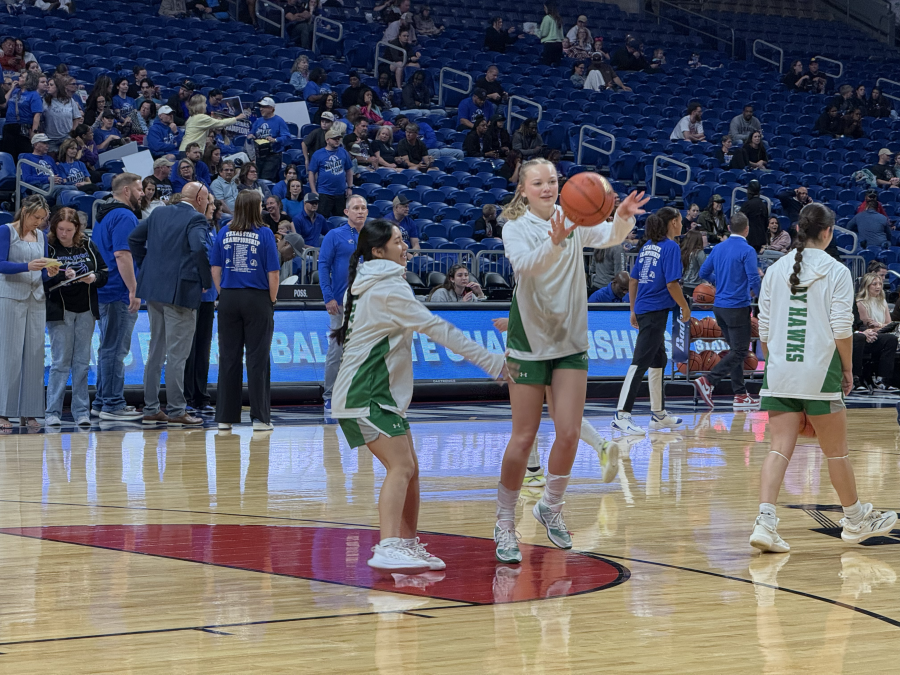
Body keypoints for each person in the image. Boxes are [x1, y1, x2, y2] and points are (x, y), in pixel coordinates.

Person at [330, 219, 510, 572]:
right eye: (399, 242)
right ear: (379, 251)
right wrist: (492, 361)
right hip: (365, 392)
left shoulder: (373, 281)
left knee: (411, 469)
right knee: (401, 466)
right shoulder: (388, 289)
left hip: (375, 391)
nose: (406, 247)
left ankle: (408, 545)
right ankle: (388, 545)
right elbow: (436, 328)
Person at [494, 157, 644, 563]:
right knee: (524, 438)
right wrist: (555, 240)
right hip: (529, 340)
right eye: (538, 183)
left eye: (553, 181)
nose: (547, 188)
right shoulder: (515, 227)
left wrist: (624, 218)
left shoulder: (573, 215)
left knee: (570, 433)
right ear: (523, 189)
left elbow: (609, 235)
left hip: (571, 339)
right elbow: (526, 267)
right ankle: (505, 520)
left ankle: (551, 506)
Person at [749, 203, 898, 553]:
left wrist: (778, 369)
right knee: (836, 453)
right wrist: (847, 369)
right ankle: (855, 519)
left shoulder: (775, 269)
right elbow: (842, 329)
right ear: (829, 232)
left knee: (779, 449)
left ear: (800, 230)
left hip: (780, 369)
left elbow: (765, 330)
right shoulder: (835, 270)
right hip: (819, 369)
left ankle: (765, 522)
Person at [129, 181, 213, 426]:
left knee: (156, 351)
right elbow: (199, 248)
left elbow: (134, 239)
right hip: (181, 292)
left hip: (153, 290)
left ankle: (152, 407)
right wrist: (206, 280)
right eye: (207, 199)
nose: (207, 203)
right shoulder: (196, 220)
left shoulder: (159, 212)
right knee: (177, 355)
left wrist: (147, 266)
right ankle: (177, 410)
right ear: (199, 198)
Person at [613, 206, 690, 436]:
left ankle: (658, 414)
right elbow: (671, 284)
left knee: (659, 360)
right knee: (640, 362)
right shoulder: (671, 247)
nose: (682, 224)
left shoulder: (647, 247)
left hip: (645, 308)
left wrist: (633, 309)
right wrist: (684, 306)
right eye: (680, 220)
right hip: (656, 310)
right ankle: (621, 414)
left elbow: (634, 280)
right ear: (673, 222)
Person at [210, 190, 280, 431]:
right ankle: (260, 418)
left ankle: (224, 418)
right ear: (254, 207)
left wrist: (224, 292)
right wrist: (271, 300)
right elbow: (273, 273)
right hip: (257, 297)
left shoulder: (223, 231)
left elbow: (215, 269)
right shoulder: (265, 233)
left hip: (229, 297)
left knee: (229, 357)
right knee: (257, 358)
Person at [44, 208, 108, 427]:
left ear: (77, 229)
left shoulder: (88, 244)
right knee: (60, 362)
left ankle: (81, 411)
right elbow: (42, 280)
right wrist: (61, 274)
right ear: (54, 228)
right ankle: (52, 412)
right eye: (60, 229)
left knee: (82, 363)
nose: (64, 234)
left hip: (86, 310)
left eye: (69, 230)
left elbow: (105, 273)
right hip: (60, 310)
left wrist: (93, 277)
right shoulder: (49, 247)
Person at [692, 212, 761, 409]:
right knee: (740, 351)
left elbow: (703, 273)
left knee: (735, 351)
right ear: (747, 229)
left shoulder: (719, 247)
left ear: (729, 228)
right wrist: (763, 298)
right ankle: (708, 381)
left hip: (719, 307)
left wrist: (718, 281)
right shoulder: (747, 250)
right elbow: (754, 278)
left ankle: (740, 395)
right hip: (737, 306)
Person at [91, 173, 145, 422]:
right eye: (139, 189)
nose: (143, 193)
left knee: (107, 348)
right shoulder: (124, 215)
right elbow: (123, 255)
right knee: (115, 350)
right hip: (118, 290)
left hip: (103, 289)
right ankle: (112, 404)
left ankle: (102, 400)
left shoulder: (103, 213)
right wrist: (134, 290)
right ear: (126, 191)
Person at [0, 196, 58, 429]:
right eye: (36, 217)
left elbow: (41, 272)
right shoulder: (6, 231)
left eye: (43, 219)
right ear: (24, 211)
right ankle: (3, 411)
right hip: (10, 297)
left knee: (35, 355)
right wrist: (27, 266)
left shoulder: (41, 236)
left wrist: (50, 273)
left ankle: (30, 411)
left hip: (36, 298)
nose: (39, 222)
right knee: (9, 355)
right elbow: (1, 264)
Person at [319, 194, 369, 420]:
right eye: (356, 208)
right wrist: (328, 296)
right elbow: (323, 266)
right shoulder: (334, 235)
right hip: (340, 303)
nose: (360, 211)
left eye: (363, 208)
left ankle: (359, 396)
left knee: (363, 351)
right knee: (336, 350)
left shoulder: (374, 236)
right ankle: (329, 395)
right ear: (346, 212)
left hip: (367, 303)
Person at [852, 273, 898, 393]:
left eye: (880, 284)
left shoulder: (882, 301)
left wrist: (878, 325)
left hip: (878, 334)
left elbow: (889, 323)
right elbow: (864, 326)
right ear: (867, 286)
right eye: (874, 284)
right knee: (861, 337)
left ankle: (883, 379)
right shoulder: (860, 303)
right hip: (864, 337)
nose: (878, 287)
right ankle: (856, 379)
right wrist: (879, 326)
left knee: (891, 339)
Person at [309, 128, 353, 219]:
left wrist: (349, 187)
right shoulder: (318, 154)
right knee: (322, 218)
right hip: (324, 193)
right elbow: (311, 173)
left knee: (341, 219)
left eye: (338, 138)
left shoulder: (343, 152)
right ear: (327, 140)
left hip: (340, 193)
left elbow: (349, 170)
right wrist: (313, 190)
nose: (337, 140)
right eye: (334, 139)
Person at [1, 70, 44, 160]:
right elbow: (3, 103)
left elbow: (37, 115)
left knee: (22, 155)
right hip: (9, 127)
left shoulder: (34, 95)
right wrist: (12, 88)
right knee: (9, 155)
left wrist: (33, 132)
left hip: (22, 127)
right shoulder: (15, 91)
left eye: (22, 77)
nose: (19, 78)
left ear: (29, 80)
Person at [181, 94, 245, 153]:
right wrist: (237, 118)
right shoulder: (201, 117)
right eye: (204, 103)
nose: (206, 105)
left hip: (185, 149)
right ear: (200, 105)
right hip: (192, 151)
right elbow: (221, 123)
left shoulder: (191, 118)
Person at [248, 97, 291, 182]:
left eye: (264, 107)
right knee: (257, 179)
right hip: (259, 155)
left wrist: (275, 140)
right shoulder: (258, 121)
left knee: (266, 179)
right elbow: (251, 133)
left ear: (271, 108)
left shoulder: (279, 120)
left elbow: (287, 137)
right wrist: (250, 137)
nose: (261, 109)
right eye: (260, 107)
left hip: (273, 155)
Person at [43, 74, 82, 153]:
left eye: (51, 85)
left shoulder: (69, 100)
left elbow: (77, 117)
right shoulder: (44, 101)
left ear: (58, 87)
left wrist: (73, 130)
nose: (48, 87)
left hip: (66, 137)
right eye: (48, 85)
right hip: (50, 138)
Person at [740, 180, 769, 252]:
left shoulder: (747, 205)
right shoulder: (763, 205)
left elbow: (739, 221)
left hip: (749, 239)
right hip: (760, 239)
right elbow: (766, 224)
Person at [679, 229, 706, 298]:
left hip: (684, 286)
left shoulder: (681, 252)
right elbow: (705, 270)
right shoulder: (699, 253)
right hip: (697, 287)